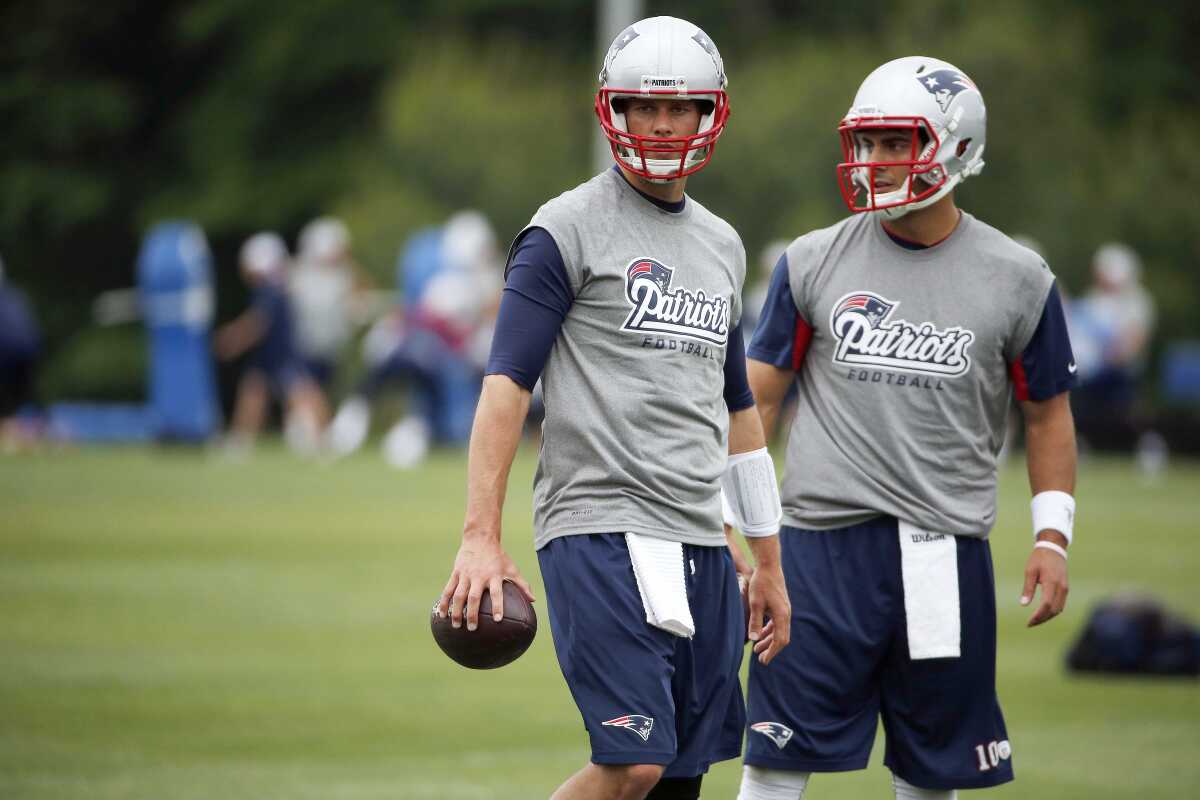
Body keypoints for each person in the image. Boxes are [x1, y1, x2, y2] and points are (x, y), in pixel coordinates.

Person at [434, 17, 791, 800]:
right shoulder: (564, 228)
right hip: (599, 525)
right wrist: (479, 538)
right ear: (612, 111)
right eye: (642, 107)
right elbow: (505, 386)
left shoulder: (723, 244)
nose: (661, 125)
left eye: (681, 108)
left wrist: (765, 556)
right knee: (633, 761)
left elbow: (734, 410)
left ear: (711, 114)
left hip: (699, 536)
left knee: (679, 779)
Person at [736, 57, 1078, 800]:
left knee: (932, 768)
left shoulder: (1019, 277)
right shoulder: (814, 259)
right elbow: (755, 405)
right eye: (869, 143)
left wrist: (1052, 537)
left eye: (898, 142)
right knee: (773, 757)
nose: (877, 162)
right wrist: (739, 526)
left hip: (942, 546)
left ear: (957, 146)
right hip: (818, 546)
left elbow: (1048, 411)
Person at [214, 232, 328, 454]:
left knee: (301, 394)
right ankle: (240, 441)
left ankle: (322, 440)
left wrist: (234, 339)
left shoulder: (270, 289)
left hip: (281, 352)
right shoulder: (278, 286)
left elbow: (259, 322)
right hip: (271, 353)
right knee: (254, 392)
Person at [1067, 242, 1156, 449]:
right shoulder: (1092, 298)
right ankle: (1077, 441)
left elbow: (1133, 343)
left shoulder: (1137, 301)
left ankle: (1146, 444)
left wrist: (1105, 360)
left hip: (1121, 371)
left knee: (1120, 402)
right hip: (1091, 369)